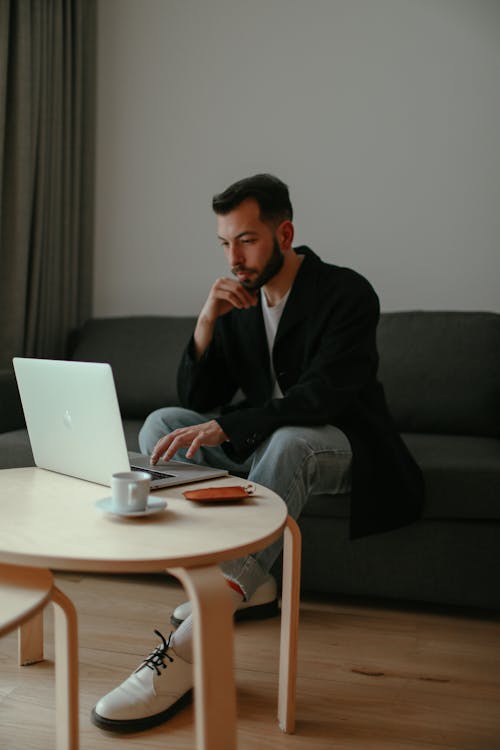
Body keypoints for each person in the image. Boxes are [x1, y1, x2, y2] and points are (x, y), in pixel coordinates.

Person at [91, 173, 424, 733]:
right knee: (162, 425)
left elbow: (319, 399)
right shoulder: (238, 301)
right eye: (225, 244)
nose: (234, 257)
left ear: (284, 232)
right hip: (259, 443)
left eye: (246, 240)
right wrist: (205, 322)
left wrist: (228, 428)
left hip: (339, 442)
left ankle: (195, 640)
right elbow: (198, 400)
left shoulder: (346, 293)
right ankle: (248, 583)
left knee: (290, 441)